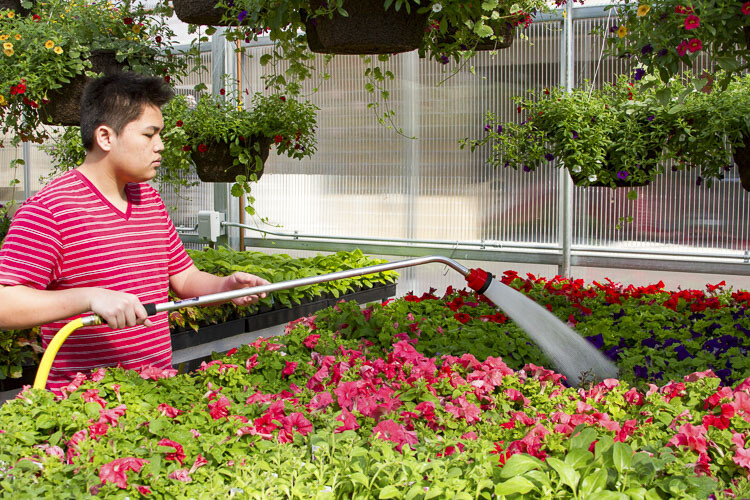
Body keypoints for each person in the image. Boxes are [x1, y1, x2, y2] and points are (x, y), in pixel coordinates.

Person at [0, 72, 269, 394]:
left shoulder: (148, 200)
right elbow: (5, 303)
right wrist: (89, 297)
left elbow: (183, 278)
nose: (161, 146)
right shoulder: (52, 208)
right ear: (105, 137)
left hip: (156, 393)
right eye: (149, 134)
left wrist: (225, 287)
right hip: (86, 408)